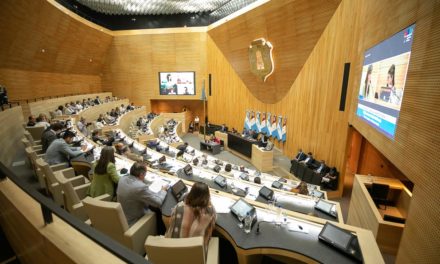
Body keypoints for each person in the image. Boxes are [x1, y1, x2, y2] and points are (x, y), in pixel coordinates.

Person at [165, 182, 216, 248]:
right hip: (194, 253)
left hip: (171, 248)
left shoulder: (179, 208)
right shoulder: (209, 213)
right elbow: (211, 228)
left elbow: (171, 223)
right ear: (207, 197)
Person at [117, 162, 168, 226]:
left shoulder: (123, 178)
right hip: (133, 220)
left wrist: (151, 182)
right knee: (159, 211)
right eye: (145, 174)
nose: (145, 176)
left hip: (123, 213)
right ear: (141, 174)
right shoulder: (140, 188)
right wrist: (163, 190)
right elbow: (158, 202)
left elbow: (138, 180)